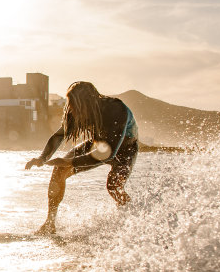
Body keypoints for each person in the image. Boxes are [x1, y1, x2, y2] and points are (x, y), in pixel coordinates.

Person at [25, 81, 138, 235]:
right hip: (97, 144)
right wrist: (42, 158)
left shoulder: (116, 110)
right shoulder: (75, 110)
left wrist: (70, 161)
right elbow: (59, 135)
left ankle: (134, 220)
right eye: (70, 105)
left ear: (87, 103)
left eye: (74, 106)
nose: (71, 110)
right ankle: (50, 224)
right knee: (60, 168)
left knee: (113, 187)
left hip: (125, 150)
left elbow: (109, 152)